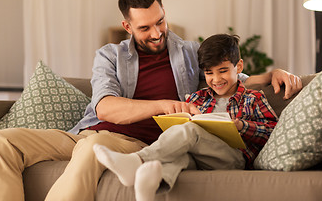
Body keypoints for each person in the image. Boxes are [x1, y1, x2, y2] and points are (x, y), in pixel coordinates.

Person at [0, 0, 300, 201]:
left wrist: (271, 73)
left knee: (94, 146)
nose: (157, 33)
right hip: (85, 132)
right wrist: (165, 104)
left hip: (129, 141)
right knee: (0, 142)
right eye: (144, 28)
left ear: (164, 11)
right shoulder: (109, 56)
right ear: (127, 26)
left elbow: (228, 78)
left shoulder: (190, 52)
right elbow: (106, 109)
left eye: (160, 21)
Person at [93, 33, 279, 201]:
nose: (216, 79)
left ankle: (136, 160)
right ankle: (147, 190)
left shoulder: (253, 98)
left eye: (222, 71)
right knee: (176, 157)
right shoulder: (197, 98)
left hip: (234, 158)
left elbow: (273, 132)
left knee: (190, 131)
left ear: (238, 66)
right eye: (209, 73)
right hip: (199, 158)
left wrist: (241, 126)